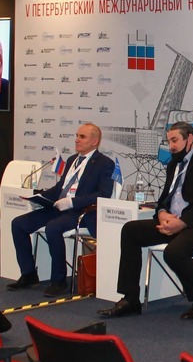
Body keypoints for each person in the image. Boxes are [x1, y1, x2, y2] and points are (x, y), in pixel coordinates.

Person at [98, 121, 193, 320]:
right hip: (173, 222)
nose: (171, 146)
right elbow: (164, 199)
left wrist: (183, 222)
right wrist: (162, 214)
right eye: (169, 141)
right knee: (130, 230)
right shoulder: (174, 163)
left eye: (175, 140)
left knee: (174, 252)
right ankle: (131, 298)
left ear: (190, 139)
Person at [7, 123, 115, 297]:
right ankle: (29, 274)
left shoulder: (105, 163)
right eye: (77, 136)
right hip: (59, 208)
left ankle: (59, 281)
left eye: (82, 137)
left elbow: (103, 194)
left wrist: (72, 202)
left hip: (82, 211)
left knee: (53, 228)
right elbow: (60, 188)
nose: (77, 140)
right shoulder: (72, 160)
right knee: (18, 224)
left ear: (95, 141)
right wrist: (40, 198)